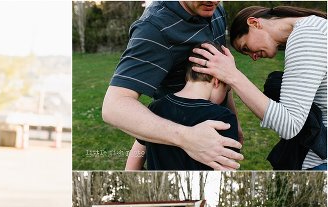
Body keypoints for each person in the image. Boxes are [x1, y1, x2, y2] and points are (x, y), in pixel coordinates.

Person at [102, 1, 244, 170]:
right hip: (169, 138)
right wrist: (187, 137)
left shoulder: (215, 10)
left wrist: (234, 120)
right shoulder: (154, 28)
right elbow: (113, 107)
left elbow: (222, 73)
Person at [190, 6, 327, 170]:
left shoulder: (307, 34)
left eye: (246, 48)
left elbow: (289, 124)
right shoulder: (313, 29)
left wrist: (233, 75)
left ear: (254, 23)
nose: (253, 57)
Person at [125, 42, 239, 170]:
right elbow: (228, 171)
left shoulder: (154, 110)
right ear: (217, 80)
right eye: (227, 88)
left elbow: (135, 158)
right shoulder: (223, 118)